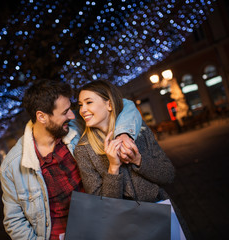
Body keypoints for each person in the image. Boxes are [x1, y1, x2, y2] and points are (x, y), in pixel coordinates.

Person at [0, 79, 142, 240]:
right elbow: (14, 221)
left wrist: (123, 133)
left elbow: (125, 105)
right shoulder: (11, 166)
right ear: (42, 117)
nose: (72, 115)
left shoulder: (78, 126)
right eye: (65, 112)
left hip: (104, 227)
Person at [74, 80, 191, 239]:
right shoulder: (83, 149)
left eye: (88, 102)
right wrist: (113, 169)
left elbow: (168, 175)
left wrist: (139, 161)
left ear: (109, 105)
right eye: (80, 105)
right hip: (125, 228)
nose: (83, 110)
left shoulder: (138, 131)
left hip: (161, 214)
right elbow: (103, 207)